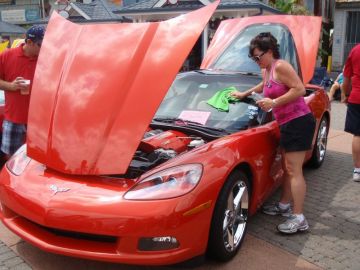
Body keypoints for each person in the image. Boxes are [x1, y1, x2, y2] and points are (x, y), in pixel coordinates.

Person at [230, 32, 316, 234]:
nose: (256, 61)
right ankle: (284, 205)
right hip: (286, 123)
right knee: (288, 168)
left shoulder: (281, 66)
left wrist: (274, 102)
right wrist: (244, 93)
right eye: (253, 58)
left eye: (258, 57)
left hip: (299, 122)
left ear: (269, 52)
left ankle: (299, 217)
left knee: (295, 171)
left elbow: (300, 89)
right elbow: (264, 85)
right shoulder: (267, 69)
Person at [0, 25, 45, 159]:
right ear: (29, 42)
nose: (44, 48)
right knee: (11, 157)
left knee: (38, 159)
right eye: (40, 44)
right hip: (14, 117)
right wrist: (11, 86)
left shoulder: (46, 59)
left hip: (39, 120)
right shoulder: (7, 55)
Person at [341, 44, 360, 182]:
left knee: (358, 134)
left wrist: (346, 94)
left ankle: (357, 170)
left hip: (357, 97)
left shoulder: (355, 50)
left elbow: (346, 78)